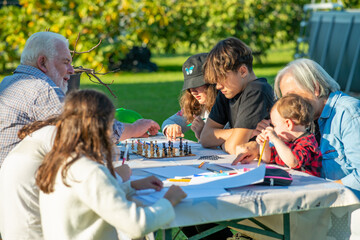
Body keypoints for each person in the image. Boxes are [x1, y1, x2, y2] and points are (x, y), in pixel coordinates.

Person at [33, 89, 186, 239]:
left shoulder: (60, 162)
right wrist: (169, 201)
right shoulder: (91, 171)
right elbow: (136, 225)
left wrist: (131, 186)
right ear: (104, 128)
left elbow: (93, 197)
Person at [0, 31, 159, 165]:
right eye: (66, 62)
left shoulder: (8, 82)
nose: (71, 70)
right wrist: (135, 128)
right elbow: (88, 131)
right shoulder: (41, 89)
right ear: (43, 63)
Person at [0, 116, 133, 240]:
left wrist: (132, 184)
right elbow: (89, 188)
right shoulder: (58, 138)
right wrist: (119, 175)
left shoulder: (46, 134)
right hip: (35, 233)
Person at [200, 37, 274, 154]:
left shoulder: (256, 91)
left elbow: (237, 147)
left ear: (243, 71)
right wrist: (236, 132)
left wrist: (221, 145)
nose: (218, 86)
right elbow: (205, 137)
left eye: (222, 79)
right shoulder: (227, 92)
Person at [256, 94, 322, 177]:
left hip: (308, 186)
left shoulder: (307, 143)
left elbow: (294, 162)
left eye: (274, 125)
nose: (274, 129)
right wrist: (263, 144)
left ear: (288, 124)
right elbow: (267, 159)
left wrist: (276, 140)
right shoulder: (287, 142)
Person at [161, 53, 218, 141]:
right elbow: (170, 121)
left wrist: (203, 132)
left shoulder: (225, 106)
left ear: (212, 82)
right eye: (190, 87)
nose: (193, 92)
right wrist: (170, 128)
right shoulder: (196, 105)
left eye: (197, 85)